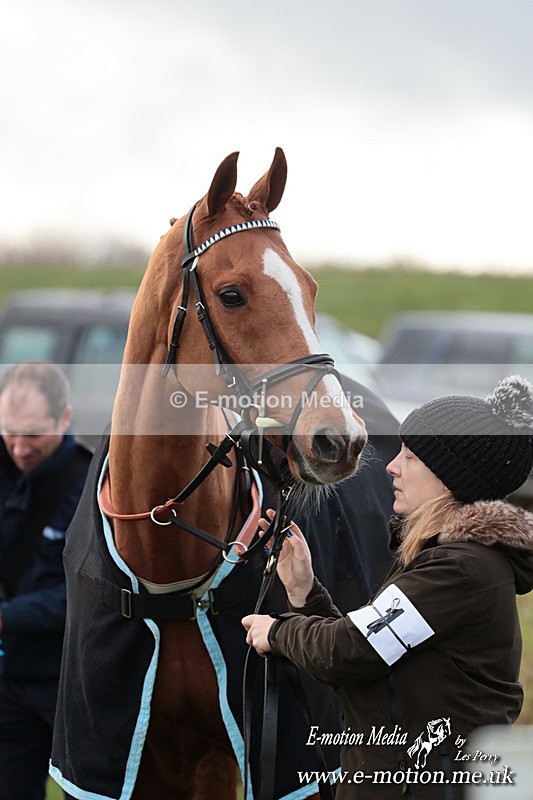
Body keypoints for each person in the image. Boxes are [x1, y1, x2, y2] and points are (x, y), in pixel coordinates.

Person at [243, 374, 533, 799]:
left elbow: (351, 651)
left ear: (449, 479)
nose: (392, 466)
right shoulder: (448, 561)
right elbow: (372, 656)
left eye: (410, 456)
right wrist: (306, 593)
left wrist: (277, 631)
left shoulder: (461, 570)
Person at [0, 362, 92, 800]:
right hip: (6, 682)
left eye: (33, 434)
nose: (19, 448)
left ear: (65, 419)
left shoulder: (94, 487)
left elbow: (90, 589)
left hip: (70, 682)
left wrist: (8, 618)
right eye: (9, 432)